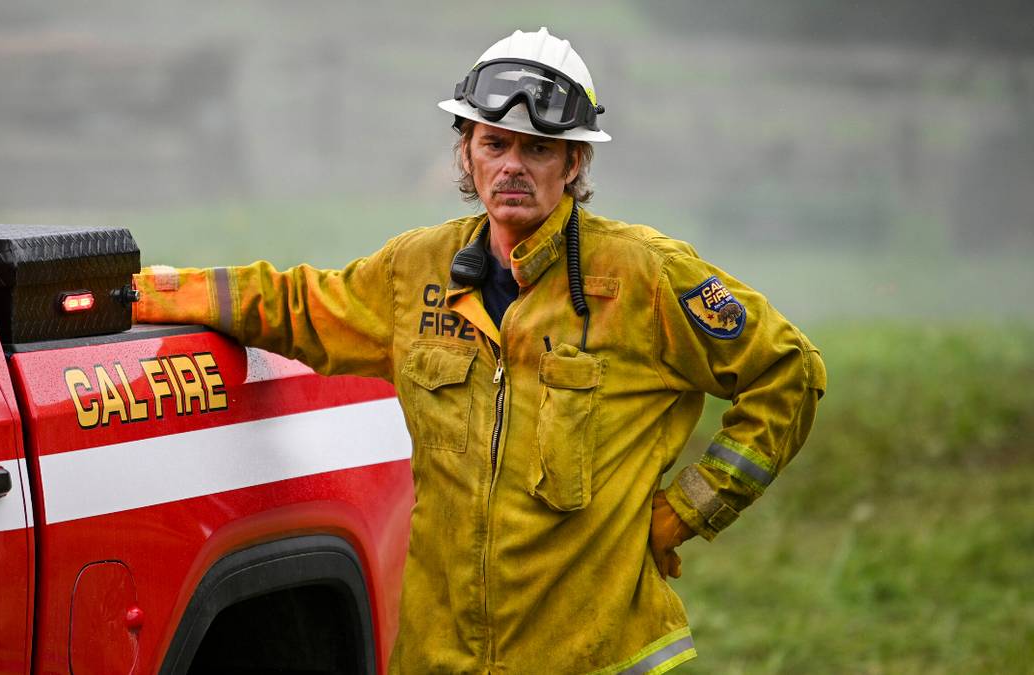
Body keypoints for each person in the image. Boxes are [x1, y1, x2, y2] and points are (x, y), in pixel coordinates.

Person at [133, 27, 825, 675]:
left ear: (575, 161)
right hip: (441, 657)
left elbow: (788, 372)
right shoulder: (417, 270)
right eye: (494, 144)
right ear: (465, 152)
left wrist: (686, 512)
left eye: (538, 149)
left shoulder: (642, 276)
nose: (513, 167)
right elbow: (294, 304)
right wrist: (148, 293)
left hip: (598, 658)